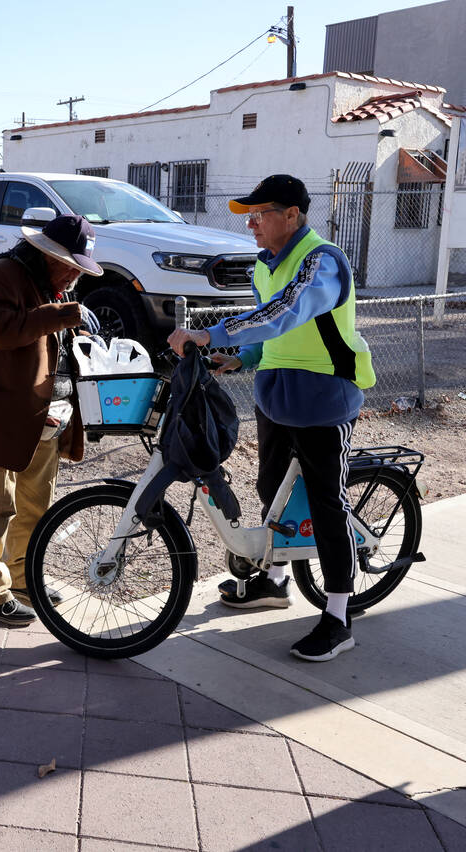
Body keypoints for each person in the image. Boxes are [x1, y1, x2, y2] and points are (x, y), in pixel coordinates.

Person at [168, 174, 375, 662]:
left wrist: (210, 335)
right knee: (272, 490)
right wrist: (242, 358)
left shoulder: (321, 261)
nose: (252, 223)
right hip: (277, 395)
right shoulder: (267, 265)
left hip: (324, 396)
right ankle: (275, 582)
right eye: (249, 215)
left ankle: (338, 617)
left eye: (261, 214)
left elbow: (288, 311)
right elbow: (272, 331)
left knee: (327, 503)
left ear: (293, 216)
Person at [0, 213, 102, 626]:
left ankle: (23, 580)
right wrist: (63, 315)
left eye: (79, 270)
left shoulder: (53, 285)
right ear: (46, 253)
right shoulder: (5, 273)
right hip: (3, 418)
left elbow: (53, 342)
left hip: (48, 418)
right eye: (70, 267)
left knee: (34, 508)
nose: (74, 278)